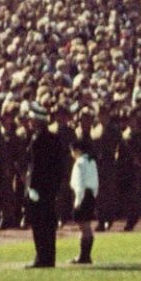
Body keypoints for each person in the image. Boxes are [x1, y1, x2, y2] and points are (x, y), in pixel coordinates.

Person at [24, 104, 66, 268]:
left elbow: (35, 167)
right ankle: (48, 257)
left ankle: (42, 257)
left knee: (40, 224)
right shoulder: (53, 138)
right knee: (48, 223)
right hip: (50, 189)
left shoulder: (38, 139)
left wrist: (31, 187)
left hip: (39, 189)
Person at [69, 136, 99, 265]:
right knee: (87, 226)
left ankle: (83, 256)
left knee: (84, 227)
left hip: (83, 195)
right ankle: (86, 255)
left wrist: (78, 200)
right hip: (91, 194)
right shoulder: (92, 161)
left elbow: (79, 183)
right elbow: (96, 181)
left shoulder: (80, 163)